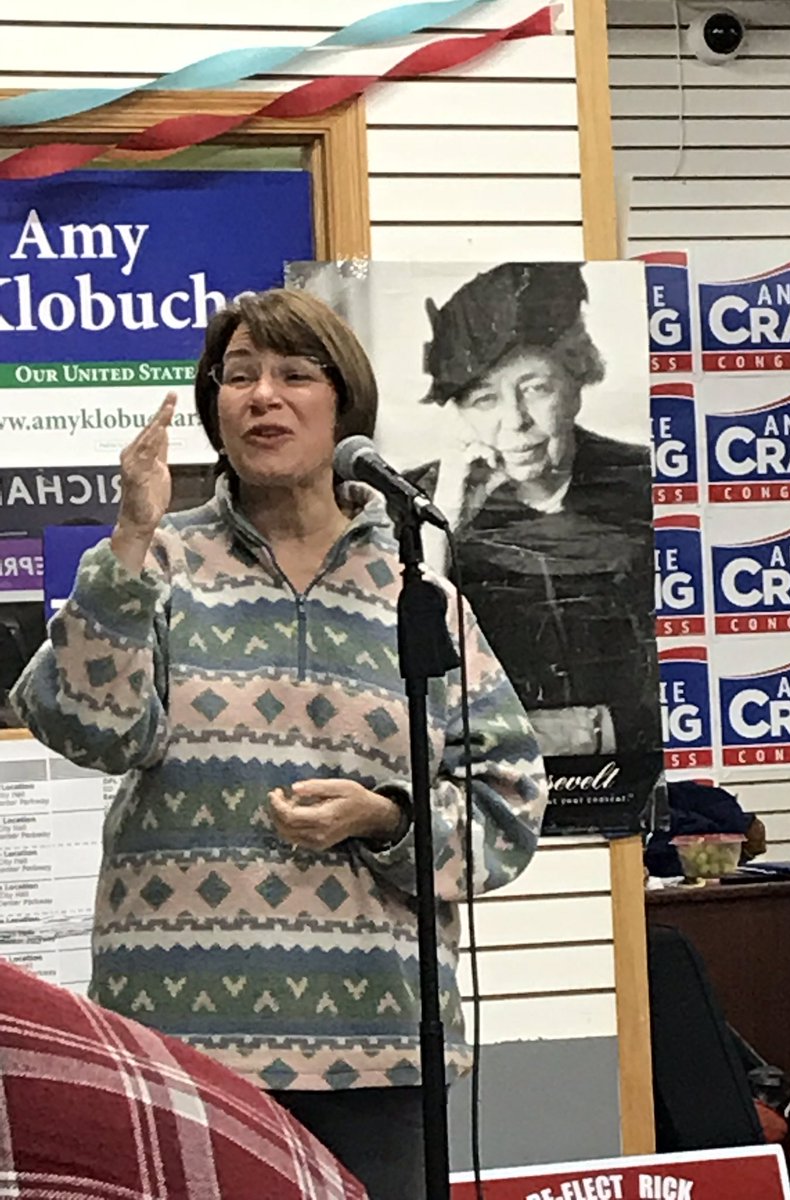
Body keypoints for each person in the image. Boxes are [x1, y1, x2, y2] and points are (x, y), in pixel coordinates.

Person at [11, 287, 548, 1200]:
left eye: (296, 374)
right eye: (239, 375)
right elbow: (88, 729)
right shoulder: (161, 565)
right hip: (181, 1048)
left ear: (345, 407)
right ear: (214, 408)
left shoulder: (416, 593)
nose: (264, 395)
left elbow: (509, 805)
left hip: (377, 1049)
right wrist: (130, 537)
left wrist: (386, 818)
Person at [410, 261, 659, 761]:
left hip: (633, 773)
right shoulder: (413, 501)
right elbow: (396, 676)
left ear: (578, 375)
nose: (515, 421)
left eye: (534, 388)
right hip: (481, 780)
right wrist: (441, 529)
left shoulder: (644, 484)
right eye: (484, 399)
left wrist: (589, 731)